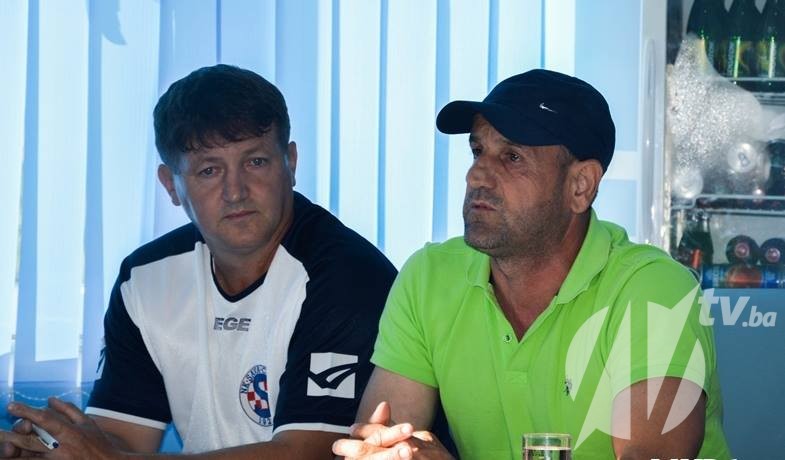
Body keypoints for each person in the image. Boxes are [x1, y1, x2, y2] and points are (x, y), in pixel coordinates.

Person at [0, 64, 397, 459]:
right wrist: (57, 451)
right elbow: (121, 440)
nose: (236, 191)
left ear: (290, 163)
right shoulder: (145, 278)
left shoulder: (349, 276)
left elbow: (308, 453)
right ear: (170, 185)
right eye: (209, 170)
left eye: (256, 162)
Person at [333, 69, 731, 459]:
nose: (477, 175)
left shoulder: (654, 290)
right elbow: (381, 438)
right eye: (477, 151)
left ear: (580, 185)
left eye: (512, 157)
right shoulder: (428, 278)